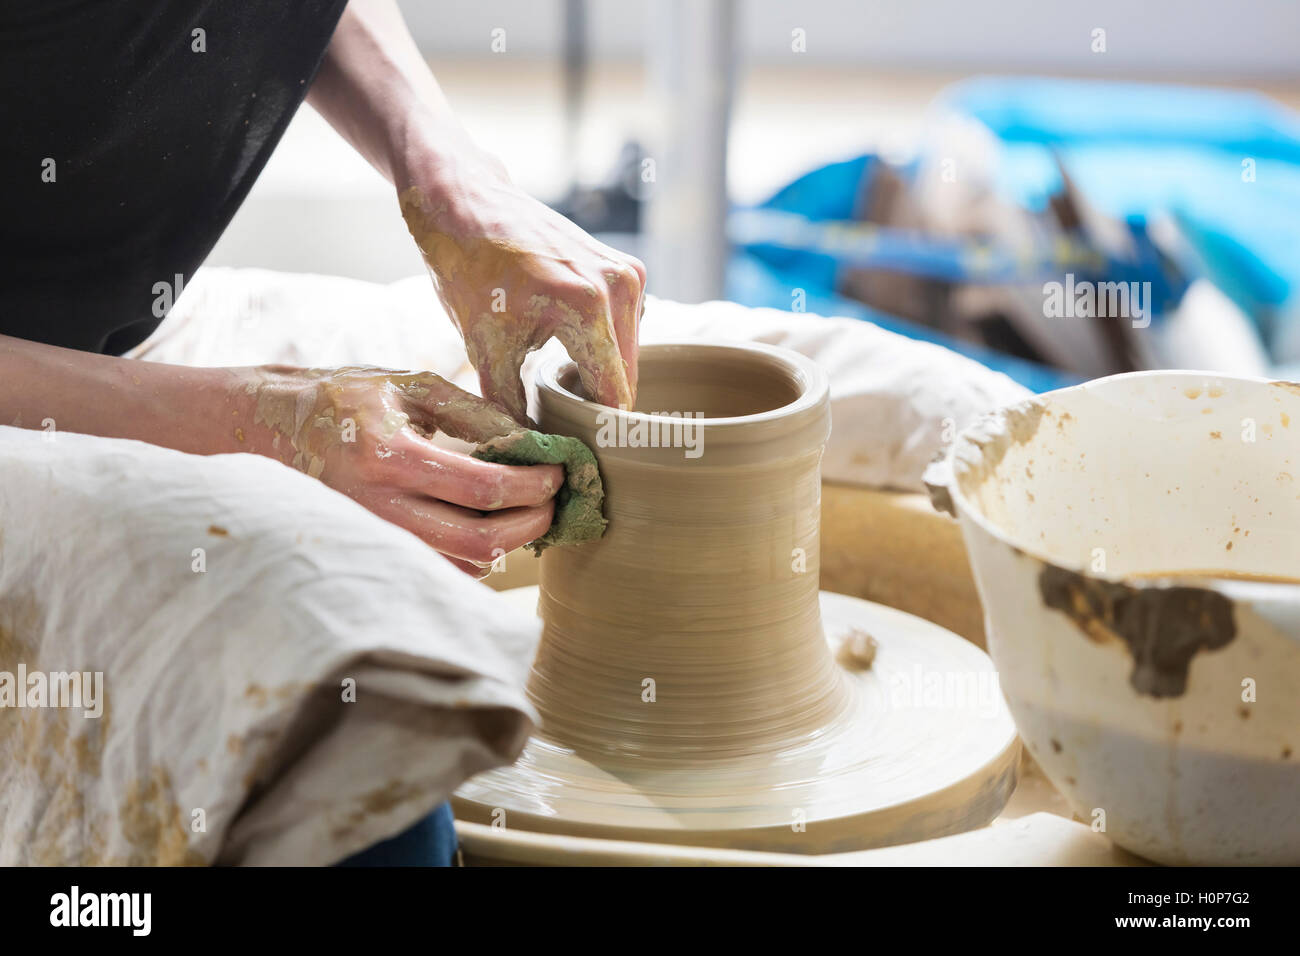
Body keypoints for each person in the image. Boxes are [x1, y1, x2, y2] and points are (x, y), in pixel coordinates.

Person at [0, 0, 645, 864]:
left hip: (137, 326)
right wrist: (262, 420)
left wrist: (449, 177)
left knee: (852, 387)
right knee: (356, 728)